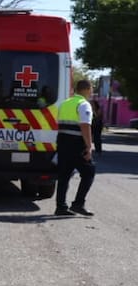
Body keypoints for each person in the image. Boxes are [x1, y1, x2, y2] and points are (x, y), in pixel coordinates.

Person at [54, 80, 95, 217]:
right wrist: (89, 147)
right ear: (87, 89)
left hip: (63, 143)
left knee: (63, 176)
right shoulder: (83, 104)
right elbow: (85, 126)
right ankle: (78, 204)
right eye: (92, 88)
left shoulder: (64, 103)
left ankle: (60, 207)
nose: (92, 91)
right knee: (89, 172)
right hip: (76, 145)